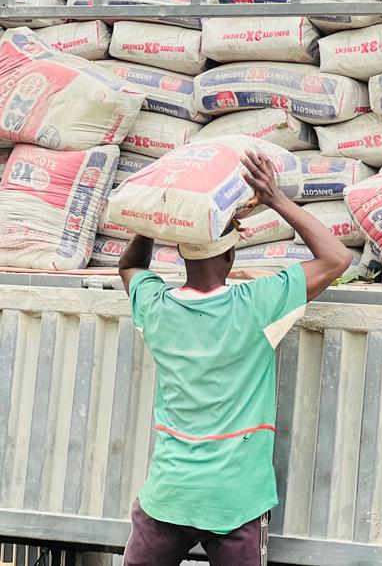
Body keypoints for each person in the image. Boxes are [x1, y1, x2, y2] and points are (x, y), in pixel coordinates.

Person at [118, 150, 353, 566]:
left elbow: (130, 265)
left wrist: (155, 217)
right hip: (236, 498)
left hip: (169, 493)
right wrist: (275, 198)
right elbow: (336, 258)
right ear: (230, 256)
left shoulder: (155, 307)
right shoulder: (256, 304)